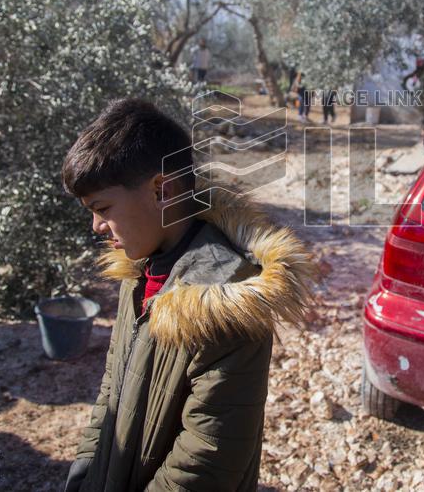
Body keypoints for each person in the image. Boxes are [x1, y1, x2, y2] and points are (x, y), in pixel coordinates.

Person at [61, 98, 317, 492]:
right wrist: (85, 470)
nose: (96, 226)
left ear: (161, 190)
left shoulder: (227, 301)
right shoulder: (140, 271)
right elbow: (111, 391)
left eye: (102, 208)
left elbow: (208, 458)